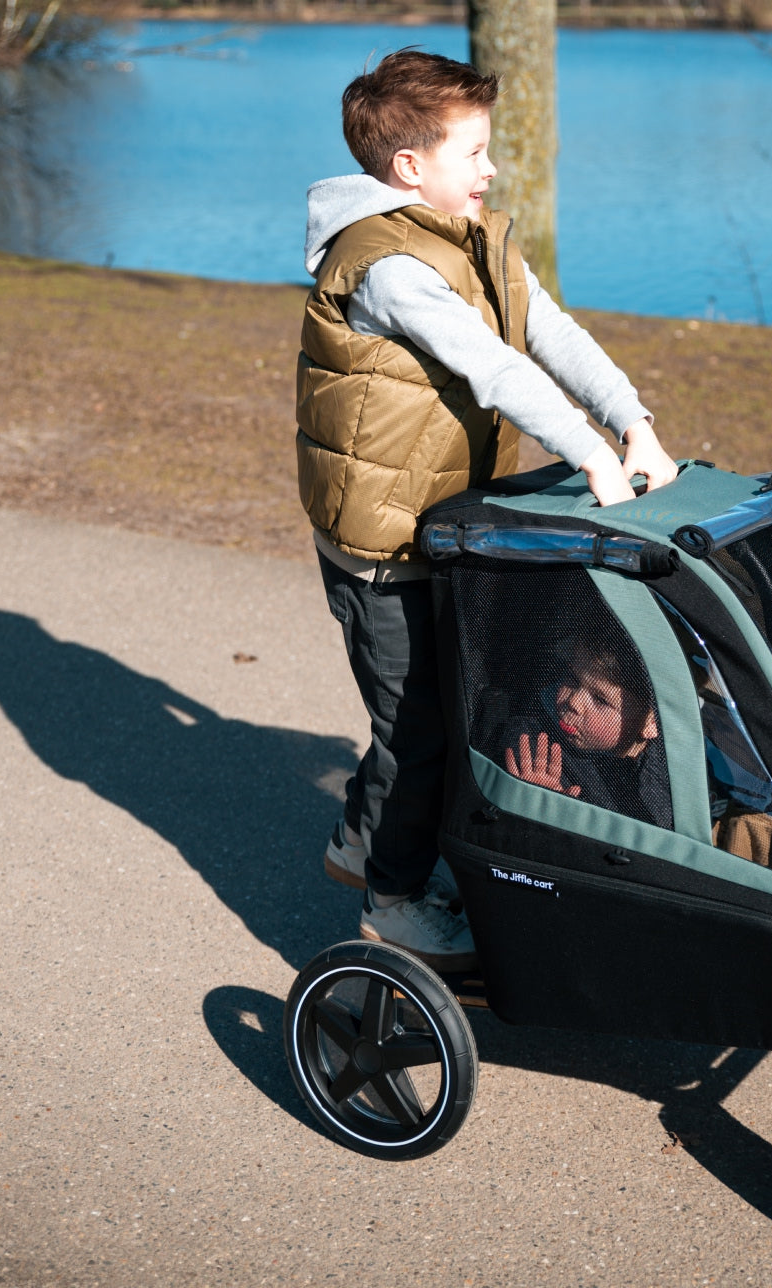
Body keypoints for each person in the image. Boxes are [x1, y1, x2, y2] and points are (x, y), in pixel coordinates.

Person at [298, 48, 677, 971]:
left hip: (445, 522)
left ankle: (365, 831)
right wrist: (587, 452)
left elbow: (552, 333)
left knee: (456, 702)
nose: (493, 168)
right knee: (419, 727)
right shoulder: (388, 268)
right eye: (474, 152)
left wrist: (633, 424)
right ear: (410, 167)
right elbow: (496, 368)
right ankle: (393, 902)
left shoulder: (475, 239)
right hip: (382, 546)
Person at [500, 635, 673, 830]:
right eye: (573, 679)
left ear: (652, 723)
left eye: (600, 700)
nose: (573, 702)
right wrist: (540, 807)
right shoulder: (535, 745)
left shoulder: (670, 778)